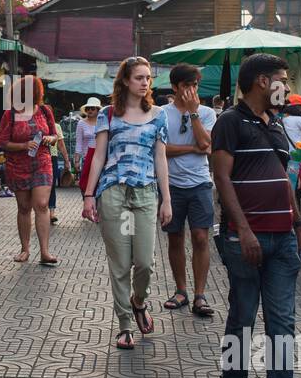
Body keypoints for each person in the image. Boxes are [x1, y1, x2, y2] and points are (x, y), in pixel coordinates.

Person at [211, 53, 301, 378]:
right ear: (262, 81)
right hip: (244, 238)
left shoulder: (275, 125)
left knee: (282, 323)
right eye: (284, 80)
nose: (288, 87)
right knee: (242, 315)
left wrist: (299, 225)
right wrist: (242, 230)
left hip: (283, 240)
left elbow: (284, 180)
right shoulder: (229, 121)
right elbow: (222, 179)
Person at [82, 57, 172, 349]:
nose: (145, 83)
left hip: (145, 192)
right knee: (120, 264)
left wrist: (166, 199)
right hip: (113, 191)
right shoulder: (109, 114)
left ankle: (138, 300)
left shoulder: (159, 115)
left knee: (145, 262)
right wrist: (88, 195)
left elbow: (160, 158)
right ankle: (124, 325)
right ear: (124, 81)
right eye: (139, 78)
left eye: (148, 78)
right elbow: (99, 156)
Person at [159, 63, 218, 317]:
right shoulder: (161, 113)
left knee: (201, 238)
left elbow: (206, 144)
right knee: (175, 237)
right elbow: (161, 149)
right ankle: (181, 290)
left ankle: (200, 295)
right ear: (175, 87)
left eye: (195, 85)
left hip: (200, 183)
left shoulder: (206, 113)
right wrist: (191, 148)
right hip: (171, 184)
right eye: (186, 86)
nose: (191, 91)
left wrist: (193, 113)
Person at [0, 76, 59, 265]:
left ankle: (45, 252)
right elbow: (2, 143)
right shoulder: (11, 114)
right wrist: (24, 145)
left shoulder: (44, 110)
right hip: (18, 166)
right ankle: (25, 249)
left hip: (42, 161)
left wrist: (50, 138)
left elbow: (54, 134)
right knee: (24, 208)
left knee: (41, 205)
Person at [76, 98, 103, 196]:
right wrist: (76, 161)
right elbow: (79, 142)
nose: (90, 110)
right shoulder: (81, 123)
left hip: (101, 156)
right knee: (85, 183)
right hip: (86, 158)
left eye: (92, 108)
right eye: (88, 108)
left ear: (98, 110)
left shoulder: (103, 122)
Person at [48, 120, 73, 225]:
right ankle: (42, 212)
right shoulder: (35, 124)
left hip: (52, 158)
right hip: (38, 159)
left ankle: (51, 213)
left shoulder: (56, 126)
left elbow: (61, 145)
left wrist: (67, 161)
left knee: (52, 185)